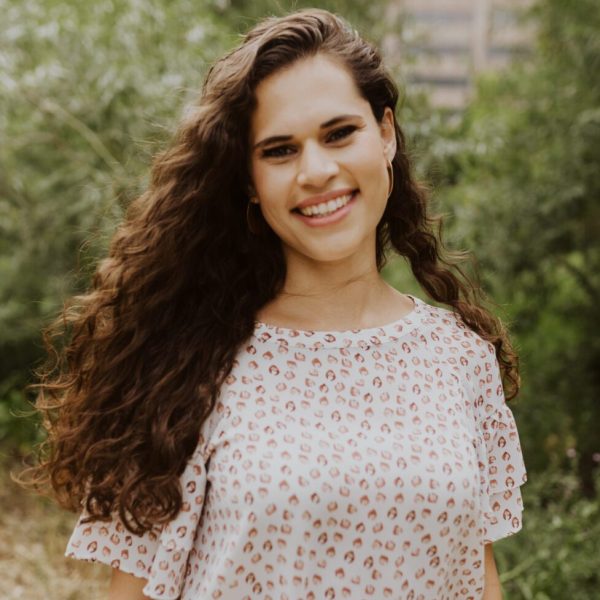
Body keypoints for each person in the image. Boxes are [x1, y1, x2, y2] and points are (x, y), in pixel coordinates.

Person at [26, 8, 527, 600]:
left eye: (340, 133)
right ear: (248, 181)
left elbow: (478, 579)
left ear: (386, 133)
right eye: (280, 150)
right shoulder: (190, 365)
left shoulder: (461, 361)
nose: (317, 171)